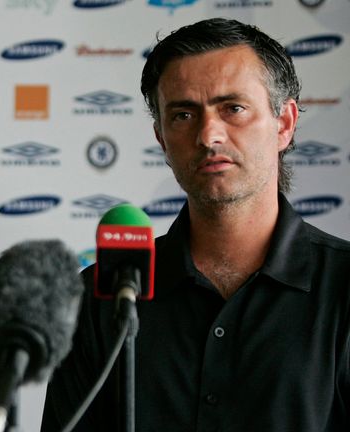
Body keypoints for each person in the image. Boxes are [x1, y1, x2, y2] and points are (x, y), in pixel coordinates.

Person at [41, 18, 350, 432]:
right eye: (184, 115)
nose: (208, 135)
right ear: (162, 139)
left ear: (284, 123)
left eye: (233, 108)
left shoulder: (344, 288)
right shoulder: (100, 300)